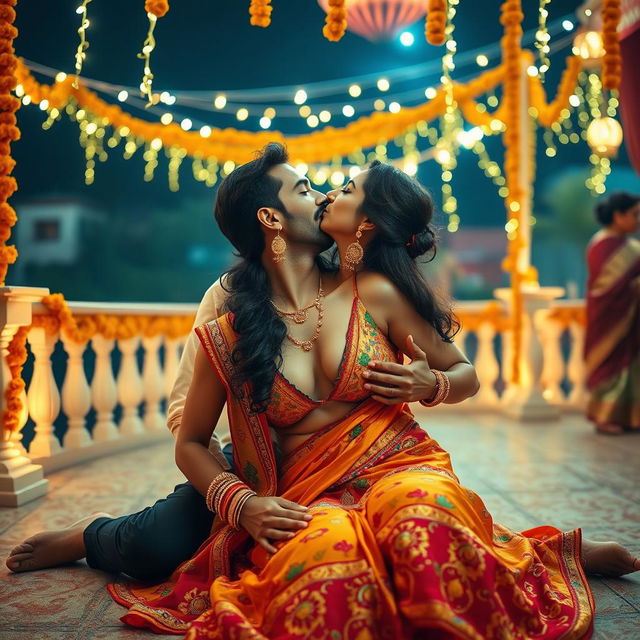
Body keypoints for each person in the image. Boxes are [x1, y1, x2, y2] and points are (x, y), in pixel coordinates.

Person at [105, 145, 637, 639]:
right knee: (325, 570)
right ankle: (93, 536)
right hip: (303, 490)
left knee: (423, 523)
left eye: (332, 190)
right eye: (306, 189)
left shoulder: (373, 291)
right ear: (270, 219)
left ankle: (526, 552)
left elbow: (464, 372)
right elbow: (189, 435)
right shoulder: (228, 317)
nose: (323, 195)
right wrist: (241, 504)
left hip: (398, 464)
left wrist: (435, 383)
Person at [585, 192, 640, 435]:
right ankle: (604, 416)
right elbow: (607, 288)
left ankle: (629, 416)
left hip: (629, 317)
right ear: (618, 216)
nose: (638, 221)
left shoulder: (629, 246)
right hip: (609, 316)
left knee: (629, 368)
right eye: (635, 215)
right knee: (611, 367)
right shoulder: (604, 244)